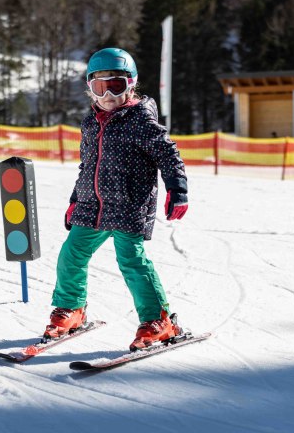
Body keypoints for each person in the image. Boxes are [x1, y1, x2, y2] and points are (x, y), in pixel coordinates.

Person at [44, 47, 189, 352]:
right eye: (100, 87)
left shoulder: (140, 120)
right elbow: (87, 167)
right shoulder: (90, 124)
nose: (108, 95)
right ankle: (71, 310)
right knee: (71, 254)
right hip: (91, 206)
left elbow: (169, 153)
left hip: (128, 206)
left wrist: (178, 189)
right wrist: (75, 200)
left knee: (132, 261)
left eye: (116, 86)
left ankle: (159, 321)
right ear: (90, 89)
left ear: (131, 85)